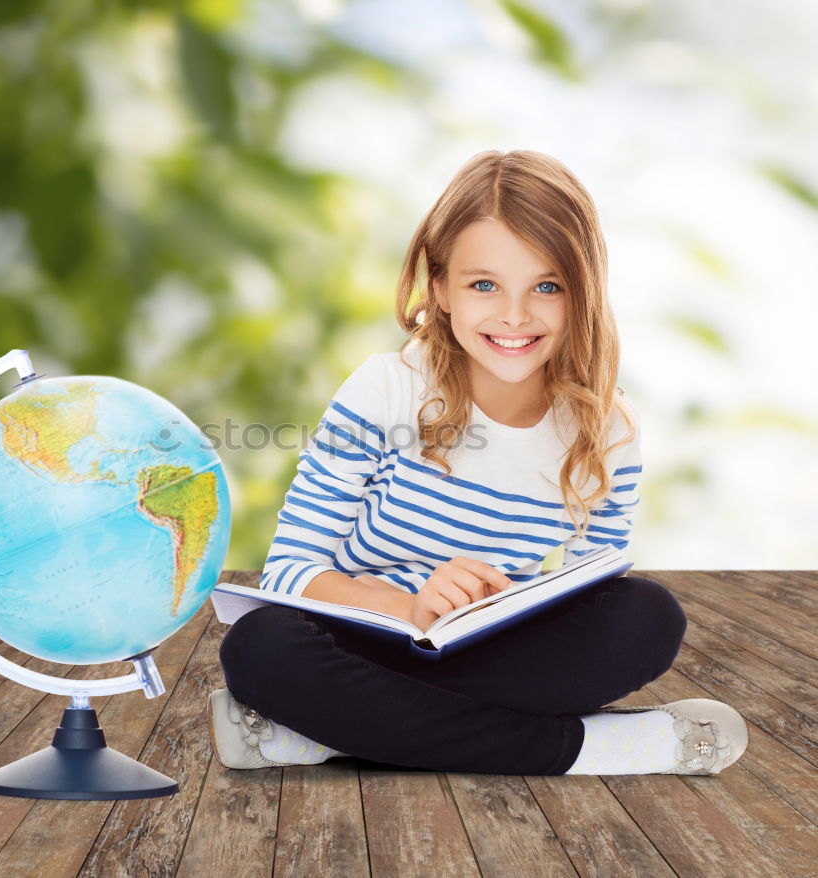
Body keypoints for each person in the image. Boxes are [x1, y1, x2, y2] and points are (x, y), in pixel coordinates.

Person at [208, 149, 748, 776]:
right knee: (260, 647)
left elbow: (589, 597)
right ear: (439, 288)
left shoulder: (610, 432)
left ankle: (324, 738)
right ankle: (583, 749)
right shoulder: (385, 389)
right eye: (483, 284)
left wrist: (500, 608)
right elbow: (288, 573)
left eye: (547, 286)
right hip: (367, 641)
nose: (515, 315)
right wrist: (412, 610)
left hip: (494, 655)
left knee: (648, 616)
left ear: (584, 295)